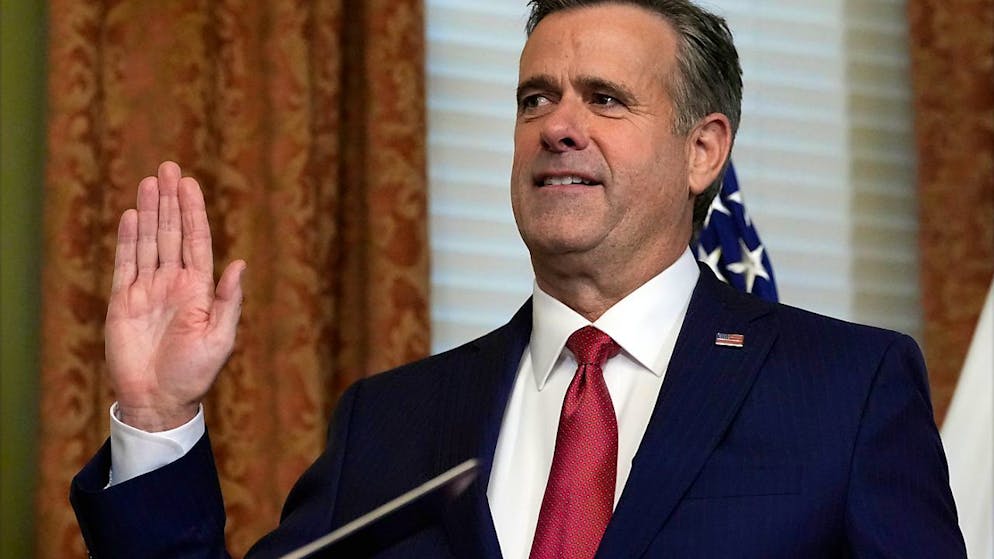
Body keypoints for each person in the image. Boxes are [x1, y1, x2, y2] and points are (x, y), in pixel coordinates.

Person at [70, 0, 967, 557]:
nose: (558, 126)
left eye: (605, 99)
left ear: (704, 150)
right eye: (535, 98)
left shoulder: (845, 389)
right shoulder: (391, 421)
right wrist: (156, 418)